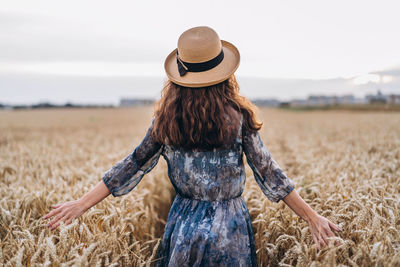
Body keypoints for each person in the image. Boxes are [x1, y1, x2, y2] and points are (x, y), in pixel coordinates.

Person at [44, 26, 342, 266]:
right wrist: (312, 217)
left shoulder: (167, 119)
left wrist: (81, 204)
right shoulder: (238, 118)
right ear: (224, 74)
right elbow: (270, 173)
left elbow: (133, 163)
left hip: (184, 225)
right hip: (230, 228)